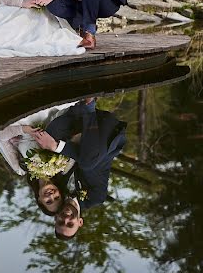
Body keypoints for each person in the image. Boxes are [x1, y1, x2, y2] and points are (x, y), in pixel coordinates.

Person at [28, 98, 128, 239]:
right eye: (70, 224)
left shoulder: (57, 189)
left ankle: (81, 105)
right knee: (87, 164)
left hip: (80, 126)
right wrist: (56, 146)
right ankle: (88, 107)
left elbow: (38, 173)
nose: (66, 219)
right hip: (105, 133)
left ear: (56, 218)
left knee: (50, 136)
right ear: (80, 222)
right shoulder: (95, 197)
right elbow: (89, 163)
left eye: (61, 222)